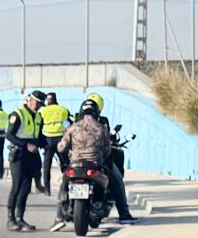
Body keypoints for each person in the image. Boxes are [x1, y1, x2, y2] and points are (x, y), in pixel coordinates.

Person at [66, 93, 135, 223]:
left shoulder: (75, 123)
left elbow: (64, 142)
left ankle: (59, 215)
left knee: (64, 181)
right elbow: (107, 143)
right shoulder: (102, 122)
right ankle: (124, 213)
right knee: (117, 179)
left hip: (76, 162)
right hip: (96, 161)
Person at [4, 90, 46, 231]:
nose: (39, 106)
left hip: (32, 155)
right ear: (30, 100)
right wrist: (26, 145)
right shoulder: (18, 114)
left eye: (41, 104)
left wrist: (50, 146)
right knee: (17, 186)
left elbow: (39, 138)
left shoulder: (39, 116)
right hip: (19, 154)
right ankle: (11, 219)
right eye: (38, 103)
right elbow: (9, 135)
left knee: (26, 188)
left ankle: (20, 218)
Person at [37, 91, 71, 195]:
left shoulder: (43, 111)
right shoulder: (63, 110)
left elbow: (38, 126)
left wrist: (39, 142)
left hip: (48, 141)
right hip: (61, 140)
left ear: (48, 100)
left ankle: (47, 190)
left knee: (47, 165)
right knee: (65, 164)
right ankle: (68, 187)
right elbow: (70, 122)